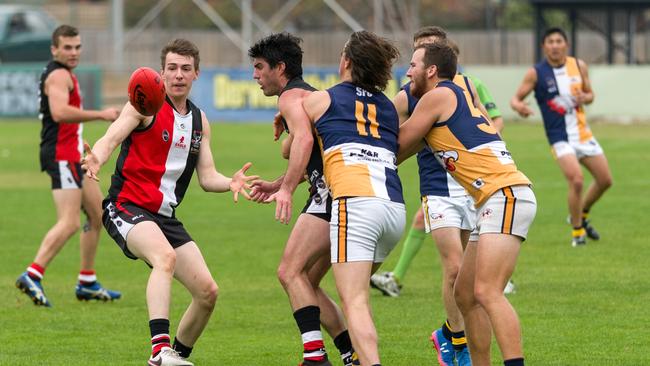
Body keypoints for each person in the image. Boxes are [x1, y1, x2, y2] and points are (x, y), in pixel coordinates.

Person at [82, 38, 257, 366]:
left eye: (185, 69)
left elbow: (207, 177)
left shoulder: (200, 122)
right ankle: (160, 351)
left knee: (208, 293)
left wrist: (230, 182)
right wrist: (98, 158)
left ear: (196, 75)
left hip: (164, 217)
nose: (178, 75)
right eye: (172, 68)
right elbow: (114, 135)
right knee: (164, 258)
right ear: (161, 74)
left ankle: (175, 356)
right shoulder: (143, 106)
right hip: (126, 206)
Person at [370, 26, 505, 366]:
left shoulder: (466, 86)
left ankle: (449, 331)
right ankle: (457, 344)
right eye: (417, 54)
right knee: (454, 268)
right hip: (437, 188)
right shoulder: (404, 96)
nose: (416, 65)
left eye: (426, 54)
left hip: (473, 186)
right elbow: (391, 137)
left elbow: (486, 124)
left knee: (468, 279)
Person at [399, 41, 536, 366]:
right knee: (465, 293)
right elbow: (399, 152)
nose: (408, 72)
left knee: (487, 292)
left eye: (414, 65)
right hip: (501, 198)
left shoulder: (439, 95)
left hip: (505, 196)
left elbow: (397, 143)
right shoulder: (451, 98)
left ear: (431, 70)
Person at [246, 33, 357, 366]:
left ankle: (315, 357)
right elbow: (320, 155)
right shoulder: (312, 95)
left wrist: (287, 190)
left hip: (330, 195)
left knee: (288, 271)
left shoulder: (290, 97)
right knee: (306, 281)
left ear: (280, 68)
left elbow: (305, 141)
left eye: (259, 67)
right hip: (351, 192)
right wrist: (281, 181)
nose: (255, 75)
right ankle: (351, 355)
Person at [302, 30, 405, 366]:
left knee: (355, 300)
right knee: (347, 290)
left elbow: (294, 144)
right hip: (393, 209)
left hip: (355, 205)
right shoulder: (388, 108)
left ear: (346, 61)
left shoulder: (321, 99)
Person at [15, 24, 121, 307]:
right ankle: (32, 274)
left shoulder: (64, 73)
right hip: (60, 156)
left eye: (77, 47)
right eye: (67, 47)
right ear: (54, 49)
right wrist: (101, 114)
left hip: (72, 155)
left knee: (98, 215)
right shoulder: (59, 74)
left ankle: (86, 280)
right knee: (70, 221)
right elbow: (59, 113)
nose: (73, 53)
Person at [511, 27, 612, 247]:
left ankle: (580, 214)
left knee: (605, 180)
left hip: (583, 133)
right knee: (576, 180)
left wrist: (585, 96)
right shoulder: (536, 73)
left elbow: (590, 95)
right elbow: (516, 99)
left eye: (559, 41)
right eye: (550, 41)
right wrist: (520, 107)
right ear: (543, 46)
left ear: (566, 45)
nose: (555, 45)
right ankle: (578, 233)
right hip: (559, 136)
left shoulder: (578, 65)